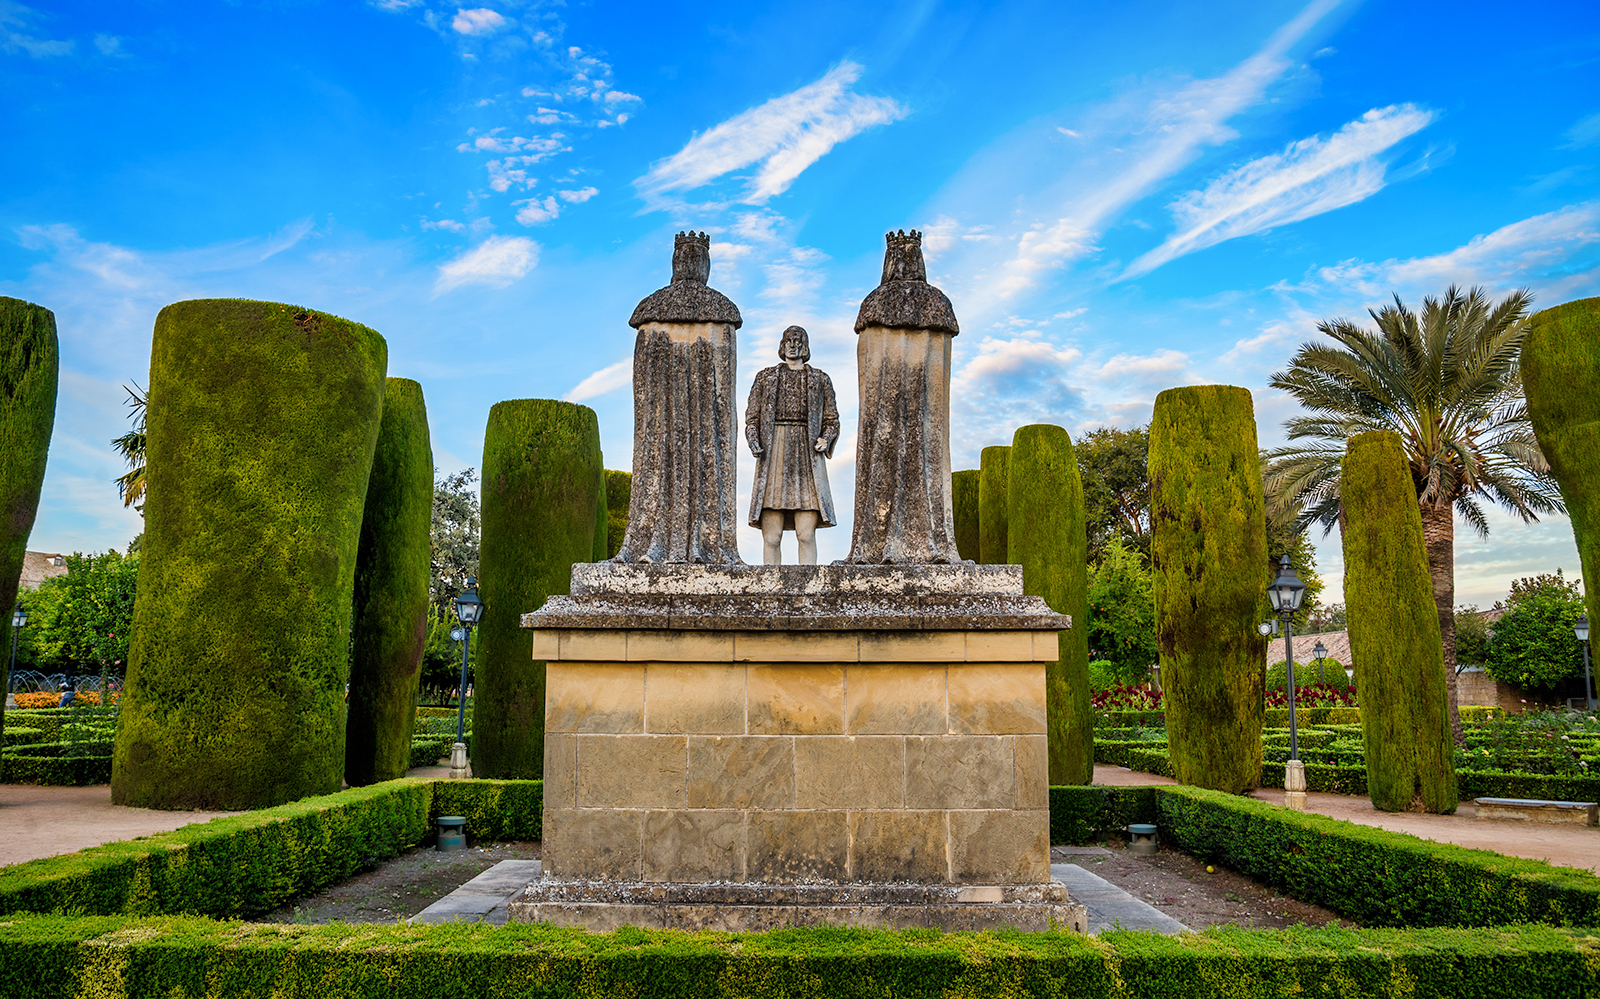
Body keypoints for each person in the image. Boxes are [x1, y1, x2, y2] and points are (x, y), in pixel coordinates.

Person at [745, 326, 839, 565]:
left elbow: (832, 419)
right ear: (782, 344)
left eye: (798, 341)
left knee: (806, 534)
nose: (793, 345)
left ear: (805, 346)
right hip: (774, 452)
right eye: (789, 340)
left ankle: (808, 591)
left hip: (807, 455)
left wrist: (826, 438)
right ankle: (770, 589)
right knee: (772, 536)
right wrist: (754, 440)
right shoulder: (765, 377)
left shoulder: (820, 378)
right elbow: (752, 418)